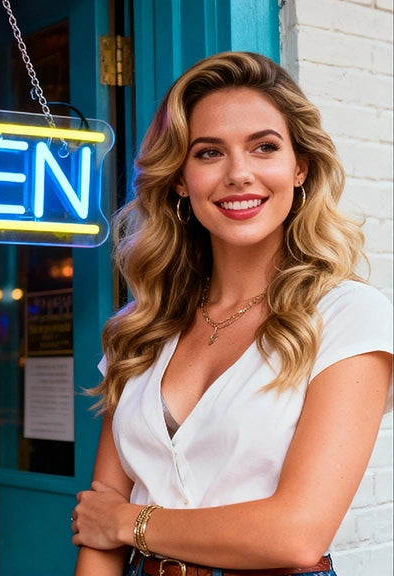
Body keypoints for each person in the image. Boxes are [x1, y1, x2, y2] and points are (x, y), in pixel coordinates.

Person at [71, 52, 393, 576]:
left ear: (300, 166)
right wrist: (113, 523)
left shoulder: (348, 316)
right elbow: (100, 510)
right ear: (179, 179)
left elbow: (296, 534)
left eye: (264, 147)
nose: (239, 174)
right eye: (208, 153)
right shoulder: (141, 326)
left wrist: (129, 523)